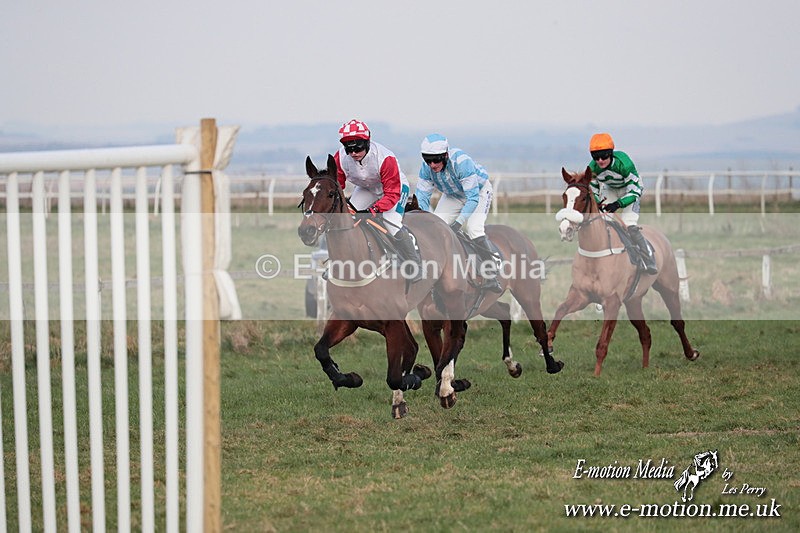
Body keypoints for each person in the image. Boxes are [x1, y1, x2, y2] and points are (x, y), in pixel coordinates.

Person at [333, 119, 422, 282]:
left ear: (367, 142)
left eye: (358, 148)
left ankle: (414, 264)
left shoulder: (385, 158)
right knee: (348, 218)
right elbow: (336, 185)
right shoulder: (340, 158)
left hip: (394, 189)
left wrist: (373, 210)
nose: (353, 153)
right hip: (367, 188)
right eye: (349, 149)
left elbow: (391, 194)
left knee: (391, 222)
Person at [415, 133, 502, 293]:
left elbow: (472, 199)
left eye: (436, 160)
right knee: (436, 229)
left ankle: (491, 274)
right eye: (428, 160)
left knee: (474, 229)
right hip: (453, 195)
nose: (432, 165)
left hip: (478, 193)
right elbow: (422, 198)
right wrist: (428, 221)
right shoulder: (426, 169)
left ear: (445, 155)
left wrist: (458, 223)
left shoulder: (462, 163)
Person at [588, 132, 658, 275]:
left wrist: (618, 204)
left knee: (629, 225)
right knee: (603, 222)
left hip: (630, 190)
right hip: (610, 190)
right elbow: (593, 188)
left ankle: (648, 257)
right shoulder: (592, 168)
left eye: (604, 156)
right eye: (596, 157)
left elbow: (635, 190)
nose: (600, 160)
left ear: (611, 153)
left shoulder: (624, 163)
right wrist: (598, 202)